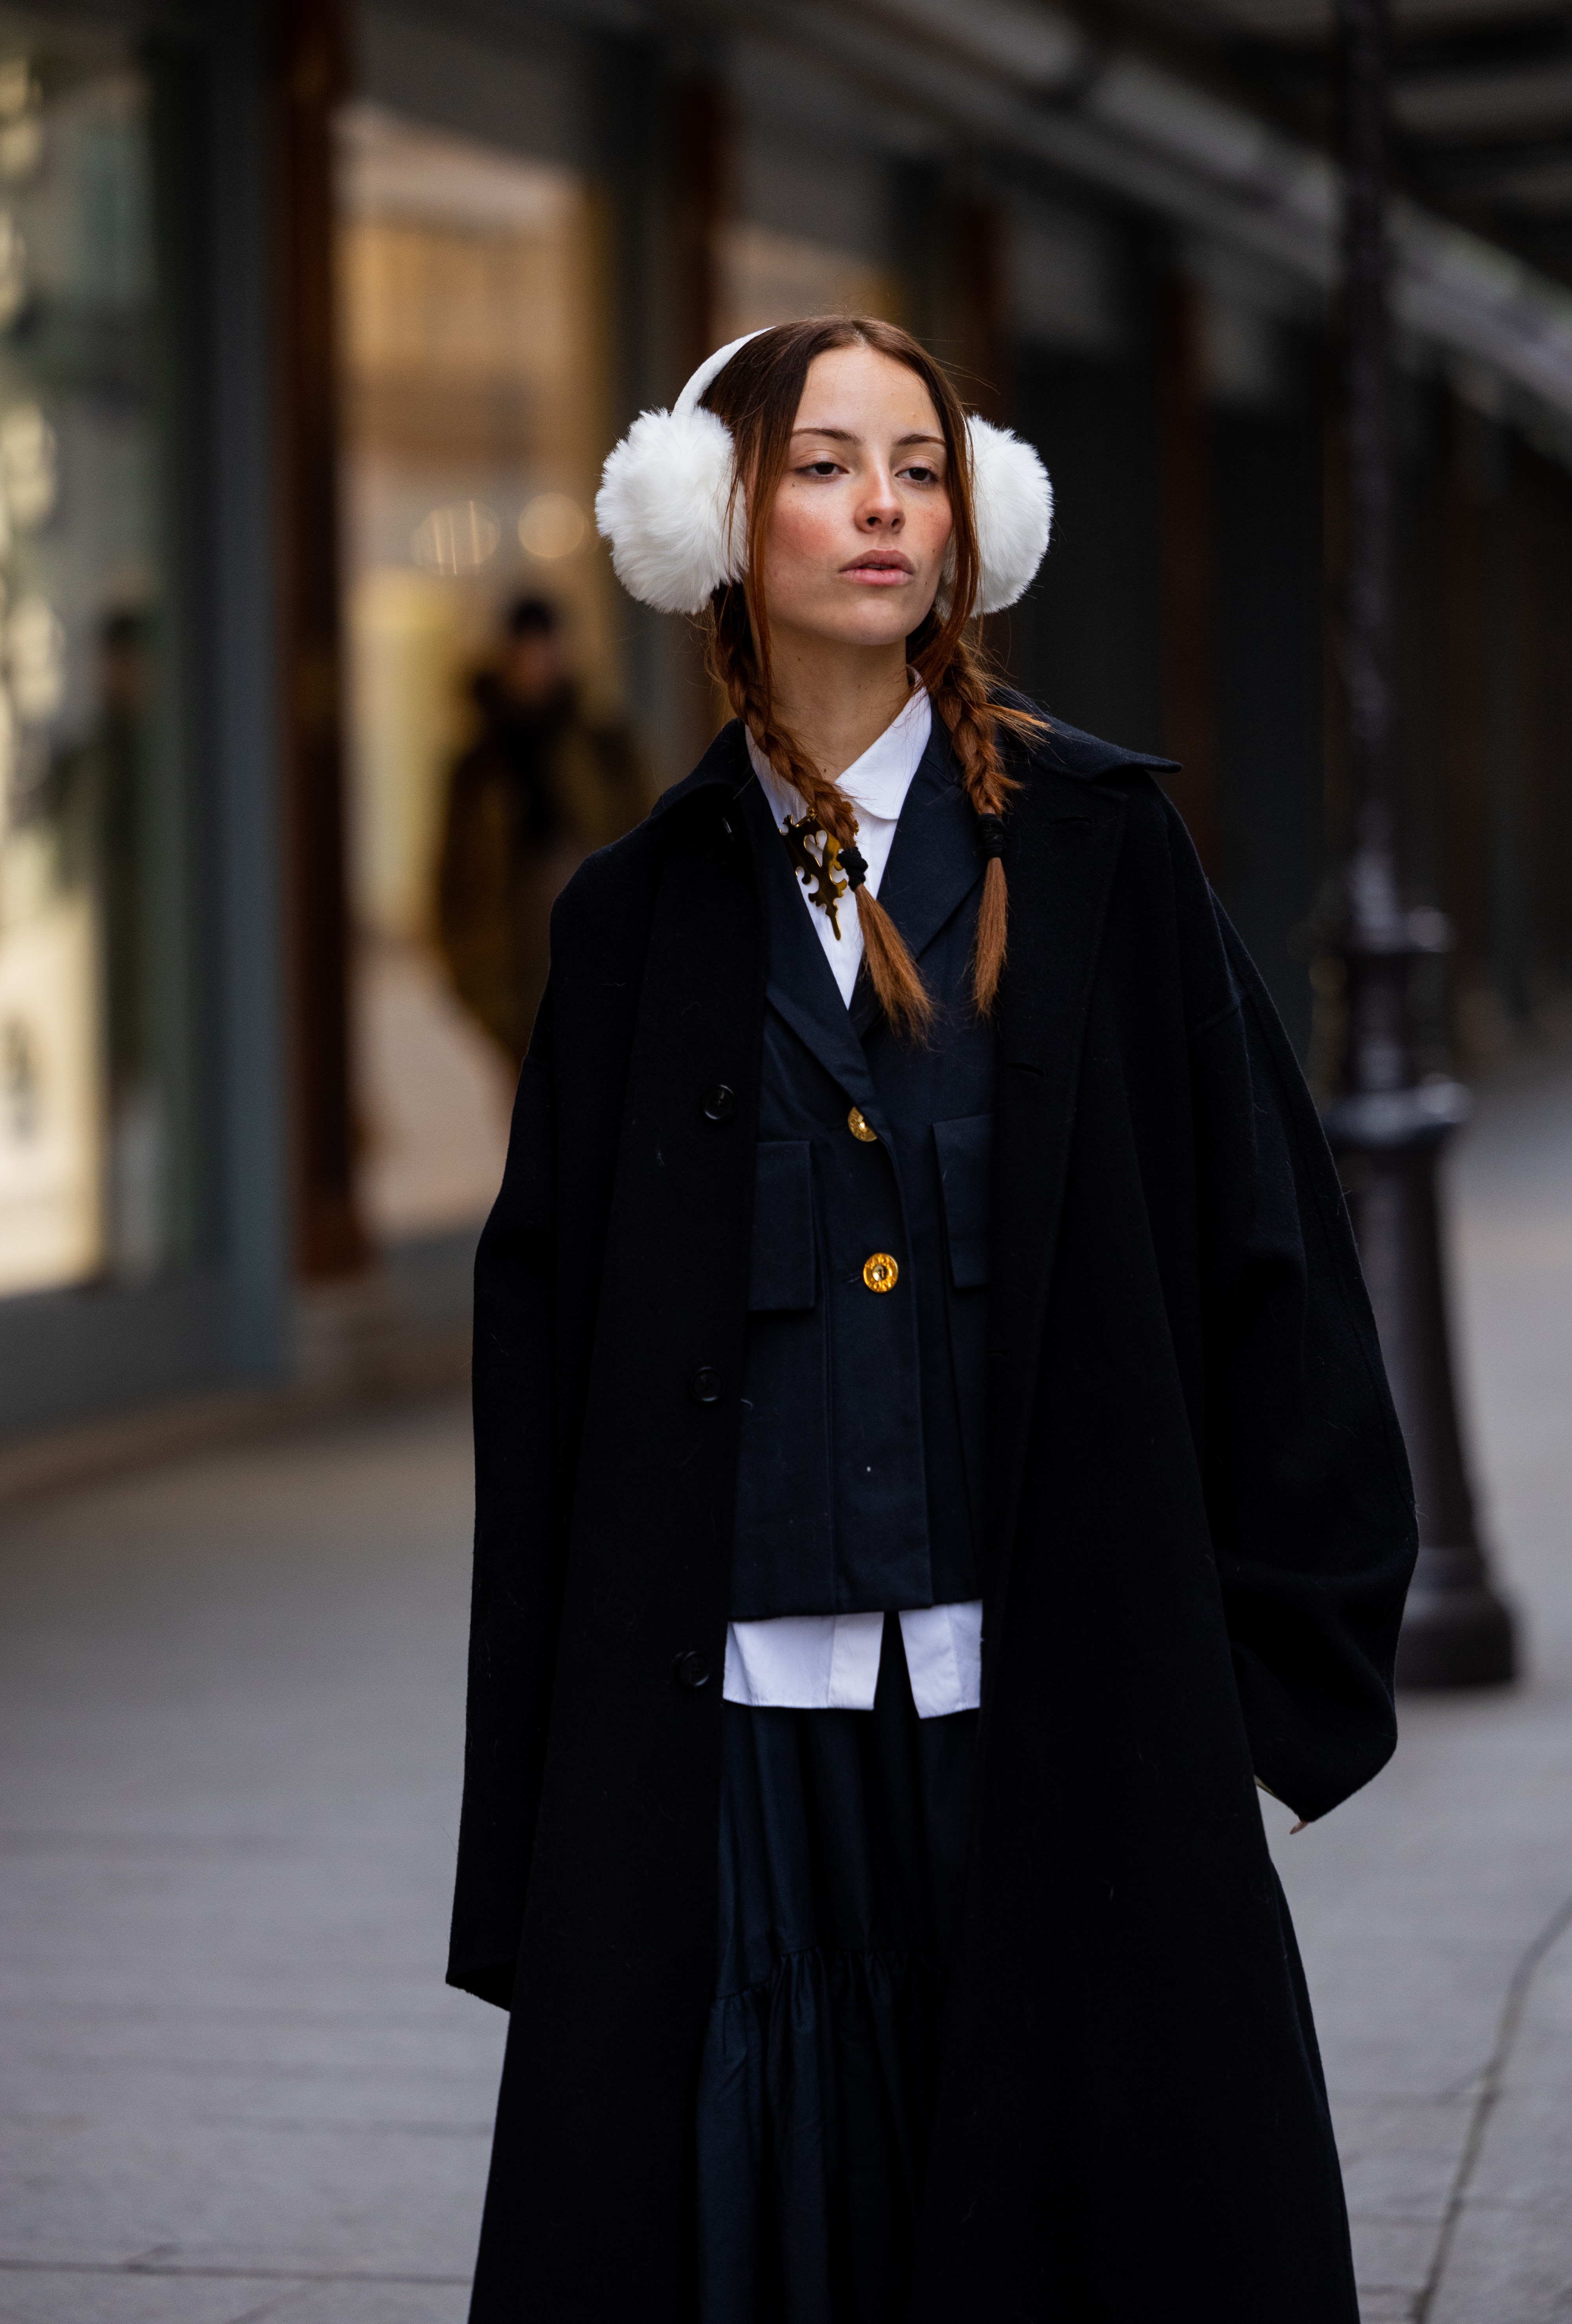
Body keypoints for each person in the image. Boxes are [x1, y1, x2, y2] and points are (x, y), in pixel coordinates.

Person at [447, 317, 1416, 2323]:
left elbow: (1267, 1248)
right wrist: (543, 1789)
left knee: (1078, 2226)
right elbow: (543, 1376)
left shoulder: (1095, 854)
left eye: (917, 463)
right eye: (820, 462)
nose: (881, 503)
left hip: (1050, 1716)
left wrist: (1259, 1659)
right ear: (710, 518)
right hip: (741, 1742)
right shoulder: (632, 920)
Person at [436, 595, 646, 1064]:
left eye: (543, 651)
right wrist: (472, 983)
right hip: (513, 988)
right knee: (531, 1127)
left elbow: (649, 846)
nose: (534, 667)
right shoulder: (479, 766)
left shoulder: (603, 749)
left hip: (602, 979)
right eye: (523, 654)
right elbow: (451, 883)